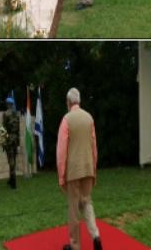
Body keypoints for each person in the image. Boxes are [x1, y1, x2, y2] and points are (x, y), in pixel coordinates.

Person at [56, 88, 102, 250]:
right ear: (79, 101)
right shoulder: (89, 118)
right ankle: (96, 235)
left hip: (73, 171)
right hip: (88, 168)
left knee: (74, 209)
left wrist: (61, 175)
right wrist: (93, 169)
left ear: (68, 102)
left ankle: (75, 246)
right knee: (87, 202)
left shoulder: (66, 119)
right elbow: (94, 146)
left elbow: (61, 151)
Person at [2, 97, 19, 189]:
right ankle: (11, 178)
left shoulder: (5, 114)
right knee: (13, 159)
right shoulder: (16, 114)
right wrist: (18, 142)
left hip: (8, 139)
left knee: (10, 159)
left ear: (7, 104)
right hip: (15, 139)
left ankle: (13, 180)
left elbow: (4, 129)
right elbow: (18, 129)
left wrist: (3, 141)